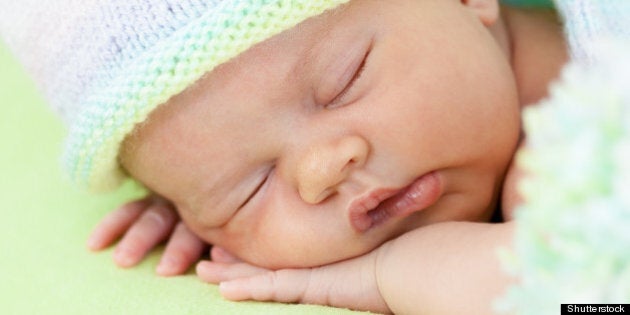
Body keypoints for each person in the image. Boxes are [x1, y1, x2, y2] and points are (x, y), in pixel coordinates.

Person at [1, 0, 566, 314]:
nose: (321, 171)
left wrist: (393, 274)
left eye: (345, 80)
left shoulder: (586, 131)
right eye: (247, 187)